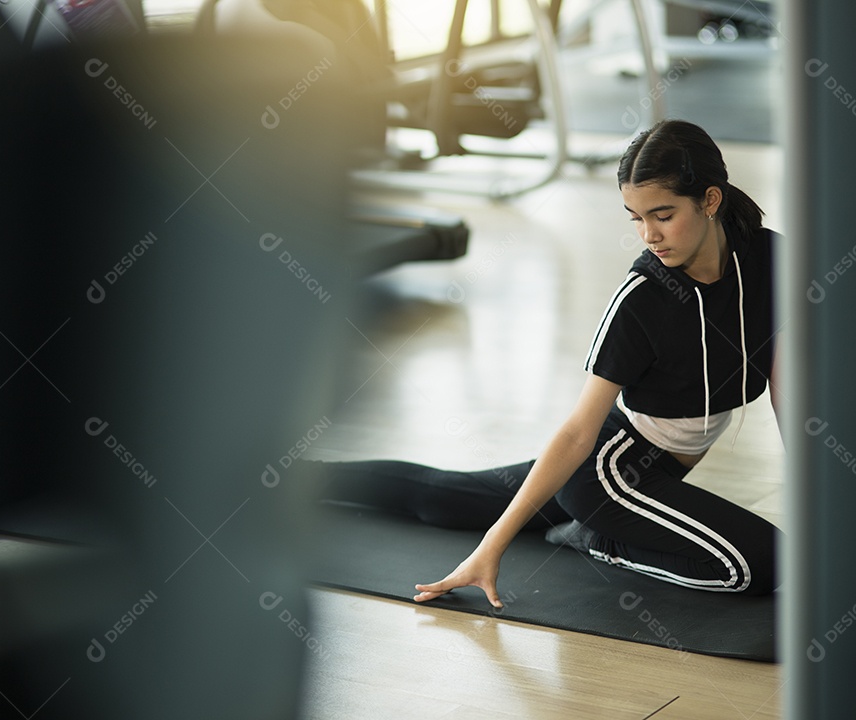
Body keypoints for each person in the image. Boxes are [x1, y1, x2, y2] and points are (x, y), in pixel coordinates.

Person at [317, 119, 782, 607]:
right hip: (607, 471)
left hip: (649, 474)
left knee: (446, 497)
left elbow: (785, 387)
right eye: (636, 218)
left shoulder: (771, 260)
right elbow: (579, 432)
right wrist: (490, 549)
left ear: (710, 200)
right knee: (760, 563)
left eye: (663, 215)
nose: (649, 235)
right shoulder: (643, 298)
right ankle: (600, 540)